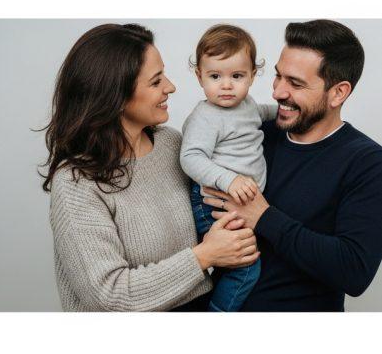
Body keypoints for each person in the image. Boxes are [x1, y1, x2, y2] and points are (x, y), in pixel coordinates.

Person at [43, 23, 259, 312]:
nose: (171, 87)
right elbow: (108, 296)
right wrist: (205, 256)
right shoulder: (76, 182)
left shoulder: (172, 145)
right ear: (116, 96)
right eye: (156, 81)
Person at [204, 20, 382, 311]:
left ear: (338, 92)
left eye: (296, 83)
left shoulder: (367, 162)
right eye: (278, 76)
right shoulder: (255, 133)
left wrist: (263, 217)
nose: (277, 92)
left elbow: (354, 271)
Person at [180, 24, 277, 311]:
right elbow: (191, 157)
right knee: (245, 268)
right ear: (199, 76)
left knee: (240, 261)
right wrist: (229, 179)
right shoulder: (205, 116)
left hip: (240, 203)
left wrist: (286, 110)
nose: (226, 85)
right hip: (214, 202)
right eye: (214, 76)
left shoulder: (247, 105)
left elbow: (263, 114)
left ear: (252, 76)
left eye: (237, 76)